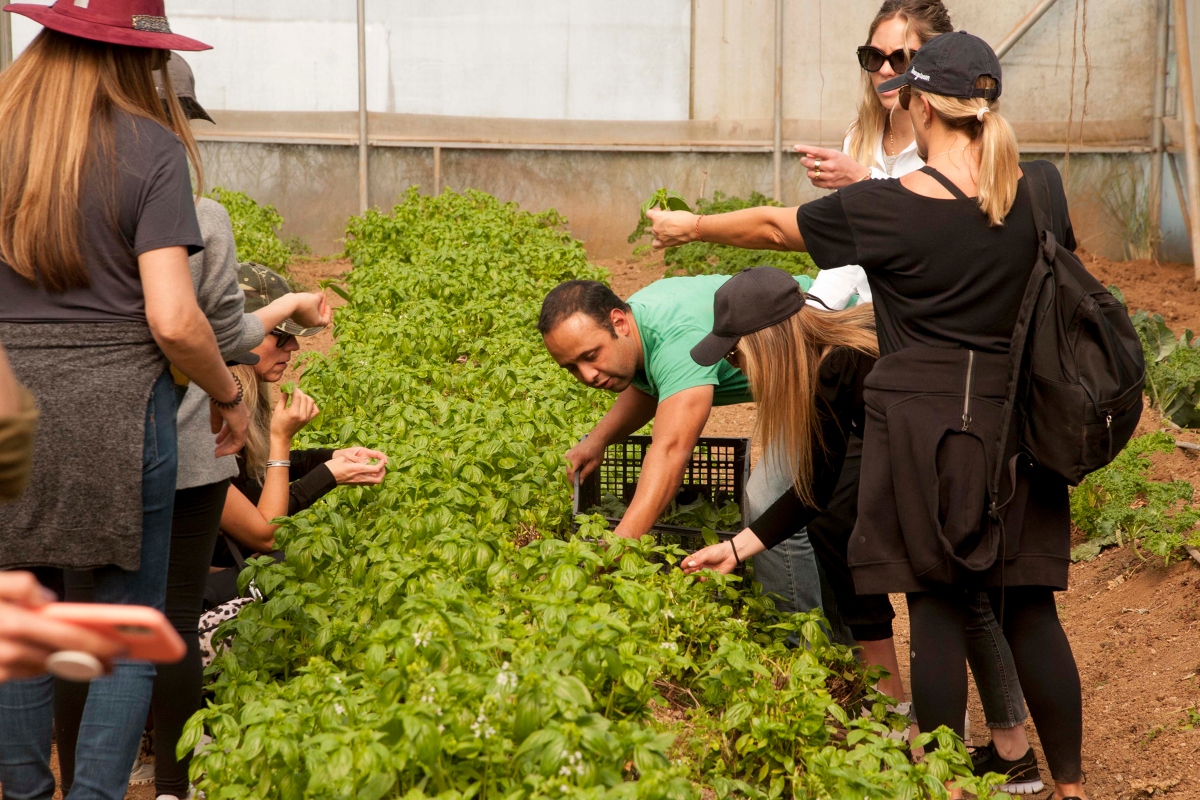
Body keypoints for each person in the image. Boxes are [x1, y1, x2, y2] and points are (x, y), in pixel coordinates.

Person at [650, 31, 1087, 800]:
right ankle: (1073, 785)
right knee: (1031, 610)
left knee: (937, 608)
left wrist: (691, 226)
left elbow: (773, 228)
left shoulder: (889, 209)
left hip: (927, 434)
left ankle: (945, 786)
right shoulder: (1041, 186)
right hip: (1022, 424)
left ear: (919, 104)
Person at [51, 56, 336, 800]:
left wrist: (278, 311)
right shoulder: (196, 216)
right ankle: (173, 785)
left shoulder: (42, 207)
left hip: (72, 446)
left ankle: (73, 781)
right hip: (177, 446)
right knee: (168, 620)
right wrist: (231, 387)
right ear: (171, 118)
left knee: (80, 621)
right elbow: (198, 327)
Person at [0, 2, 250, 798]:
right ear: (126, 60)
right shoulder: (149, 147)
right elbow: (175, 319)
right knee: (121, 625)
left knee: (23, 614)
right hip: (117, 412)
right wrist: (228, 391)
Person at [791, 1, 1038, 789]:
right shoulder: (872, 137)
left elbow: (920, 235)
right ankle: (992, 751)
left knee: (940, 578)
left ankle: (956, 756)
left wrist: (699, 228)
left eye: (903, 59)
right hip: (874, 355)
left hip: (926, 388)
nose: (887, 73)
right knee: (932, 568)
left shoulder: (974, 165)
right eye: (875, 57)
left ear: (936, 76)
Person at [538, 275, 862, 634]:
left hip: (831, 353)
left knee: (770, 500)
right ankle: (837, 637)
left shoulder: (676, 339)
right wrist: (598, 439)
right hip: (805, 375)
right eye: (571, 367)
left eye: (590, 356)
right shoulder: (638, 326)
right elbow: (655, 383)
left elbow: (671, 450)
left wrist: (619, 545)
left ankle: (799, 643)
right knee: (811, 506)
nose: (586, 375)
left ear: (618, 322)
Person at [210, 264, 387, 576]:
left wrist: (329, 459)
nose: (293, 346)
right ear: (240, 334)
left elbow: (249, 478)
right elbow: (267, 534)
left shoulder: (242, 397)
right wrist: (287, 444)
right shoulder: (204, 414)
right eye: (280, 334)